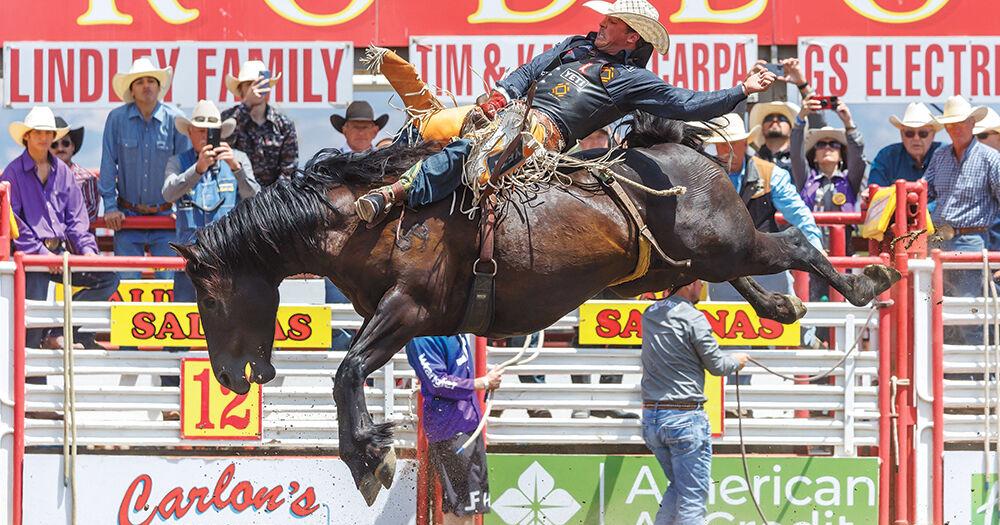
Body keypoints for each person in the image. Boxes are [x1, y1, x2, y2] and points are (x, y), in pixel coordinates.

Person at [354, 0, 776, 222]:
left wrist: (741, 89)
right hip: (509, 110)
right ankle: (371, 173)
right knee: (427, 125)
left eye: (611, 21)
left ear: (631, 37)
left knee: (475, 156)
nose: (602, 24)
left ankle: (397, 193)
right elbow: (530, 70)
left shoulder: (632, 81)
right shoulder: (576, 46)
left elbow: (687, 104)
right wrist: (501, 94)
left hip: (540, 134)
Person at [4, 106, 119, 351]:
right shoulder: (13, 172)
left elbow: (77, 220)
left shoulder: (63, 173)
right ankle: (33, 376)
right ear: (27, 136)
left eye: (48, 133)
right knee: (31, 327)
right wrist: (42, 254)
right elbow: (15, 223)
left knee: (108, 278)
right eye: (38, 133)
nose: (44, 138)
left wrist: (89, 252)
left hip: (60, 254)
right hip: (30, 258)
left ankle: (58, 333)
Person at [640, 280, 748, 524]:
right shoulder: (693, 318)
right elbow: (718, 366)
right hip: (685, 417)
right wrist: (737, 361)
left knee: (678, 488)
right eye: (700, 282)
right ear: (689, 283)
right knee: (692, 499)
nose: (702, 287)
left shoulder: (650, 314)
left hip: (653, 417)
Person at [162, 100, 260, 302]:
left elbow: (256, 198)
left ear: (220, 133)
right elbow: (168, 194)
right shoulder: (178, 162)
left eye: (211, 131)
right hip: (189, 259)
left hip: (228, 257)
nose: (206, 136)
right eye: (200, 130)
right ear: (189, 132)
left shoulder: (237, 158)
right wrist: (197, 169)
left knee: (228, 320)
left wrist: (236, 168)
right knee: (183, 318)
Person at [99, 58, 188, 279]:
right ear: (132, 89)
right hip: (127, 217)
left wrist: (182, 207)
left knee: (168, 288)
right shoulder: (116, 119)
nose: (146, 86)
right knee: (127, 286)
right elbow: (108, 164)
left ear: (159, 87)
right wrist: (110, 207)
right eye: (140, 82)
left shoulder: (176, 119)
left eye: (151, 81)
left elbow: (187, 168)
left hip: (167, 216)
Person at [924, 96, 1000, 343]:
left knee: (969, 313)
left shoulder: (991, 159)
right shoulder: (940, 156)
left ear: (971, 123)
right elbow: (924, 191)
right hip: (938, 242)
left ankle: (978, 377)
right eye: (951, 124)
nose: (956, 128)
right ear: (946, 127)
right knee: (938, 312)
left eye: (960, 123)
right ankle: (954, 375)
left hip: (971, 240)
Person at [406, 335, 501, 525]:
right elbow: (436, 382)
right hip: (451, 427)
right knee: (462, 504)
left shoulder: (453, 325)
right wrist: (481, 383)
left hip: (465, 424)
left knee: (467, 502)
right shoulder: (422, 337)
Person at [221, 60, 298, 187]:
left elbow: (288, 170)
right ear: (240, 90)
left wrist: (268, 199)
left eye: (259, 84)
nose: (254, 89)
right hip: (234, 194)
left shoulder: (283, 124)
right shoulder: (229, 118)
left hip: (271, 200)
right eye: (249, 84)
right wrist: (247, 104)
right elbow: (224, 140)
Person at [748, 58, 826, 172]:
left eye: (782, 118)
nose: (775, 120)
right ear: (761, 128)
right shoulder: (751, 160)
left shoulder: (804, 158)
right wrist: (747, 85)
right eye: (768, 118)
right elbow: (732, 131)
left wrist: (802, 83)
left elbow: (818, 128)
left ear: (792, 128)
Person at [867, 103, 943, 188]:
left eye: (923, 133)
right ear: (902, 134)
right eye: (909, 133)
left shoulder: (946, 155)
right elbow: (874, 194)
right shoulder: (886, 157)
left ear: (933, 135)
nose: (916, 138)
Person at [51, 116, 100, 222]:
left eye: (65, 143)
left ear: (73, 146)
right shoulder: (38, 178)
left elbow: (91, 213)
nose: (60, 148)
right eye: (54, 144)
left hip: (77, 238)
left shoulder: (87, 178)